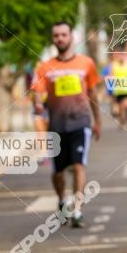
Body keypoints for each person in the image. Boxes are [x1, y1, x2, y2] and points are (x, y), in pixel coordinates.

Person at [32, 22, 102, 227]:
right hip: (56, 125)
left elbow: (93, 93)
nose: (60, 38)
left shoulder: (86, 63)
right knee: (59, 172)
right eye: (56, 36)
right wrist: (37, 105)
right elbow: (38, 93)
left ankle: (78, 209)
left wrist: (97, 121)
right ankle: (62, 201)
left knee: (79, 165)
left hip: (81, 123)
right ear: (53, 39)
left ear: (71, 37)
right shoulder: (45, 68)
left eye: (64, 34)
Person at [109, 50, 127, 129]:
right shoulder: (114, 65)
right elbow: (111, 75)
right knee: (120, 108)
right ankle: (121, 122)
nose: (121, 57)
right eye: (120, 55)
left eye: (123, 55)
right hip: (118, 90)